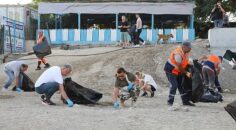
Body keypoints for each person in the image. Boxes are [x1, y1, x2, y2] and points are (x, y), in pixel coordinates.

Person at [164, 41, 195, 106]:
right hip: (171, 70)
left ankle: (185, 101)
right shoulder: (178, 54)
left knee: (181, 85)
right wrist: (187, 73)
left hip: (178, 70)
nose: (190, 49)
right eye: (189, 48)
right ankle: (170, 101)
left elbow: (185, 61)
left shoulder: (186, 52)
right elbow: (179, 66)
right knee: (174, 85)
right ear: (184, 47)